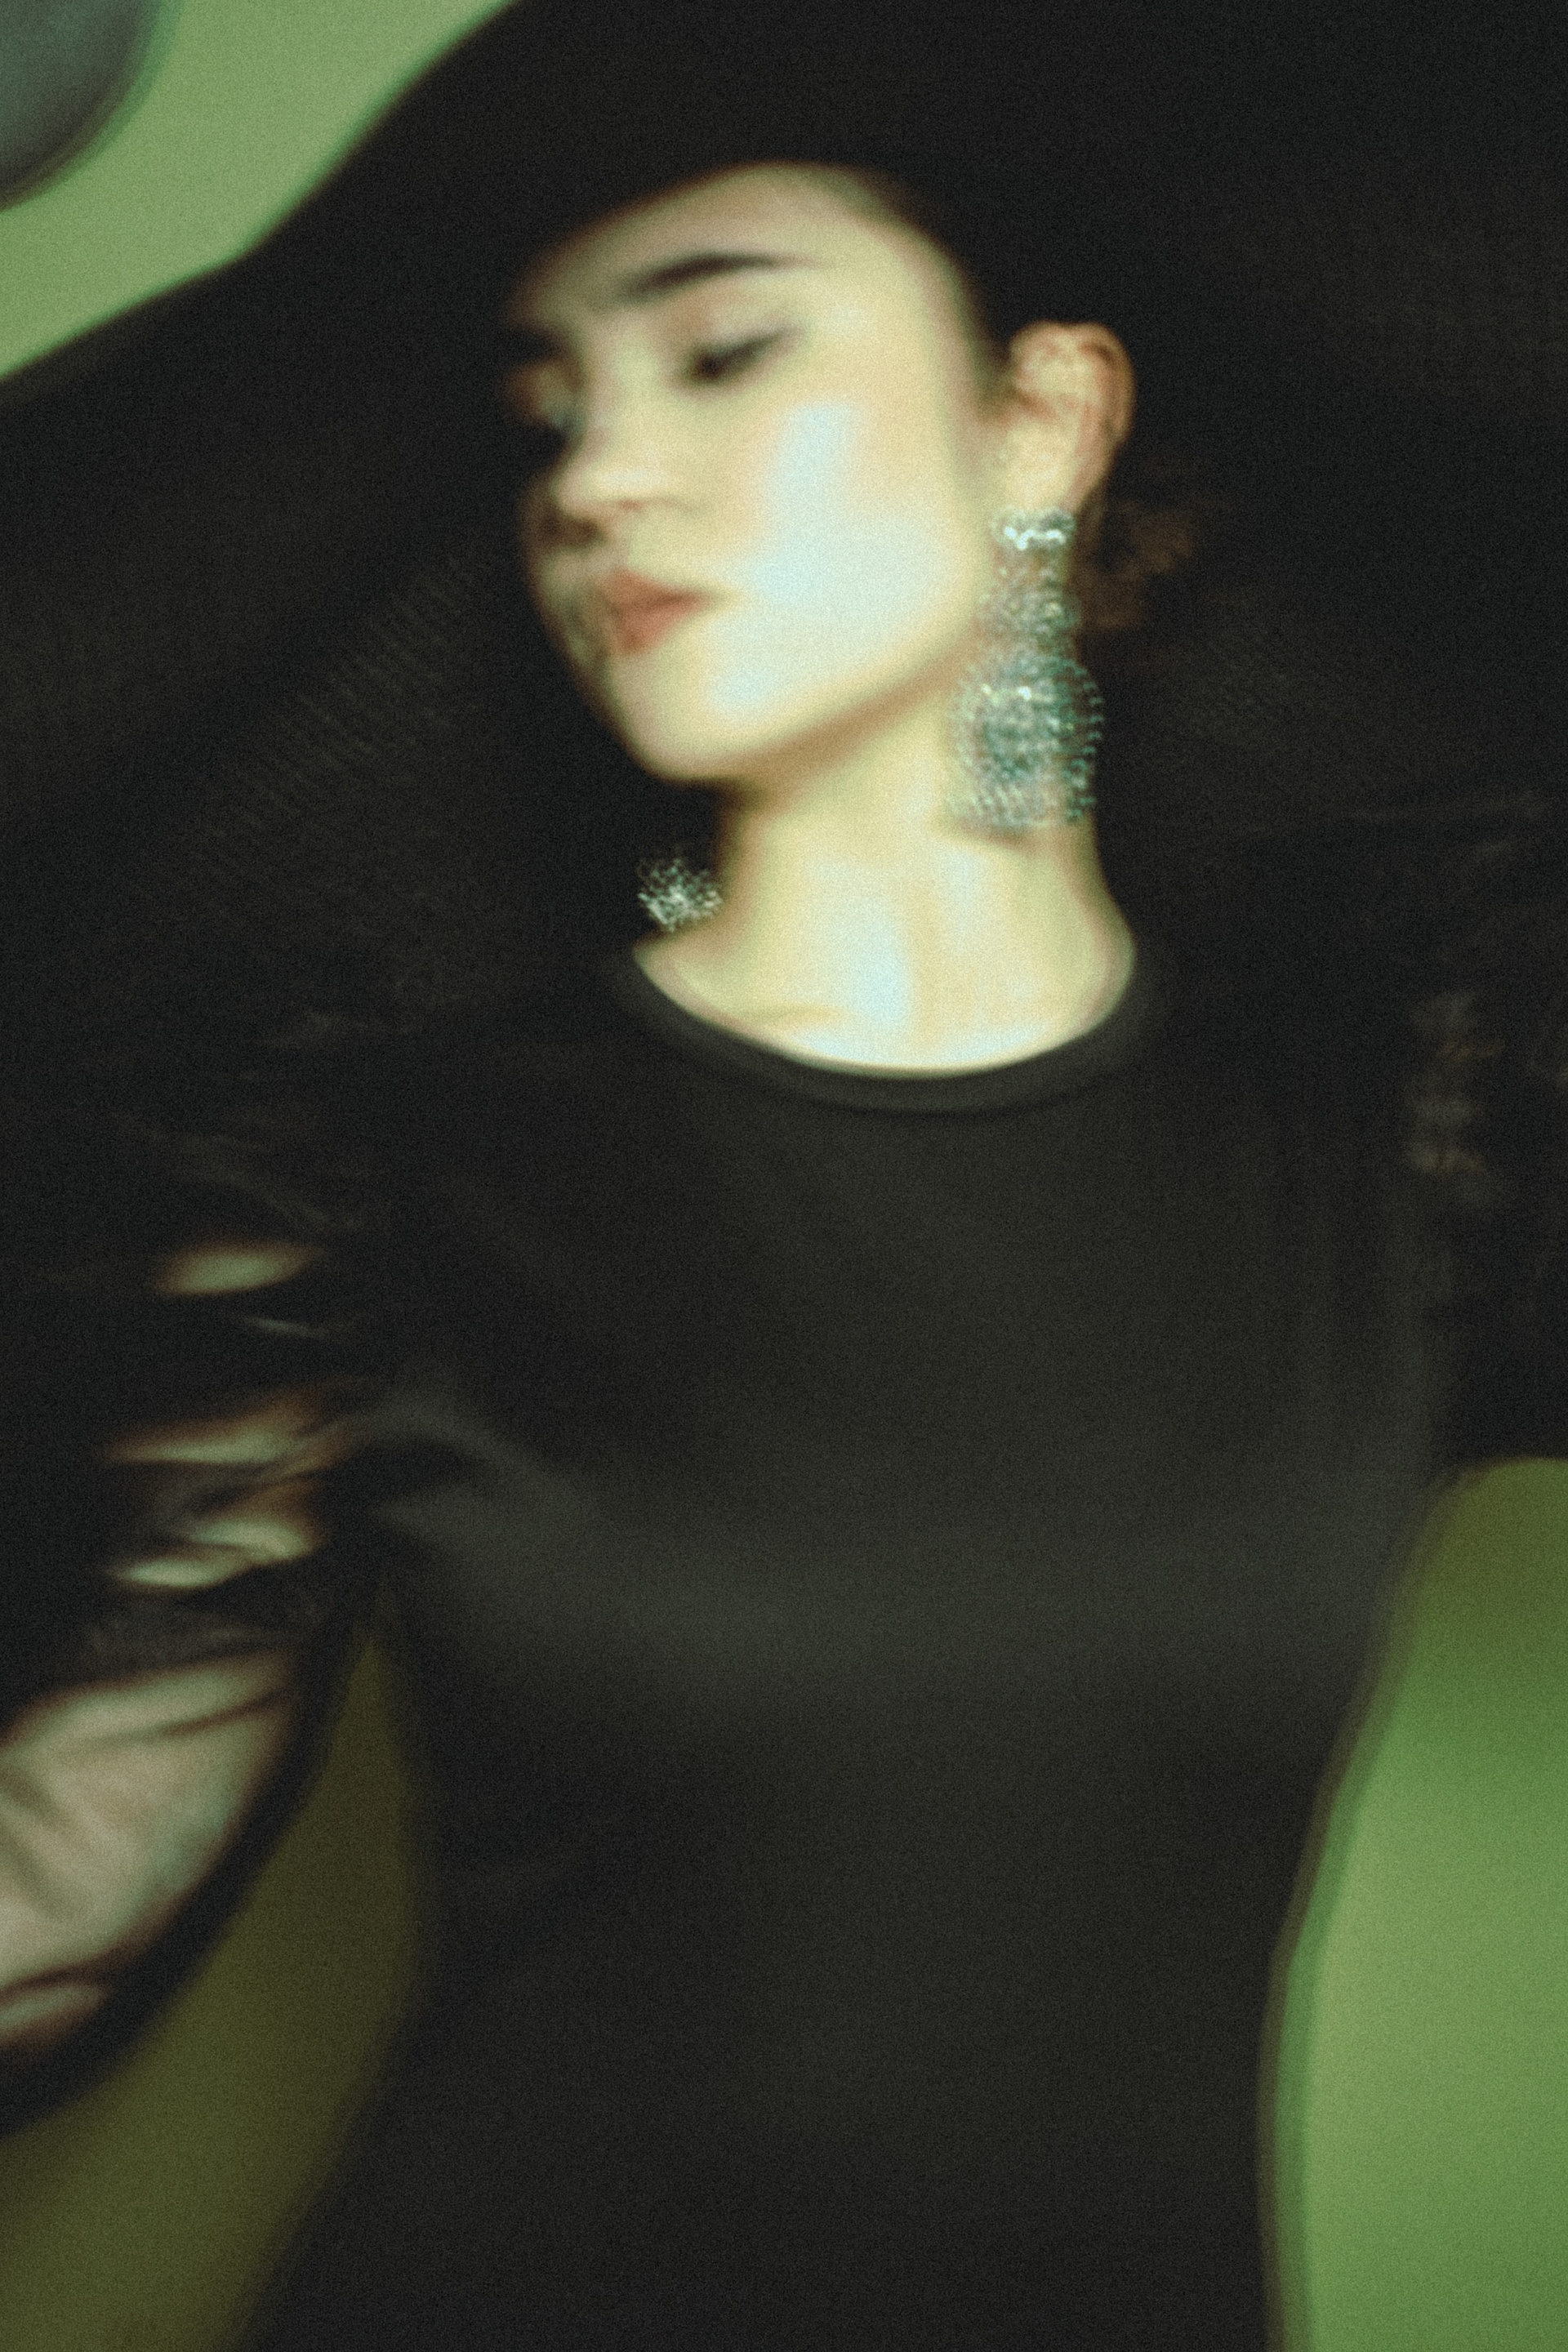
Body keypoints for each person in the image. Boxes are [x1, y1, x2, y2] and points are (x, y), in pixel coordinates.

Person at [1, 9, 1565, 2347]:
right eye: (547, 416)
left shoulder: (1398, 1120)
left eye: (725, 350)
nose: (600, 480)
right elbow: (58, 1887)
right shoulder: (377, 1167)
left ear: (1041, 419)